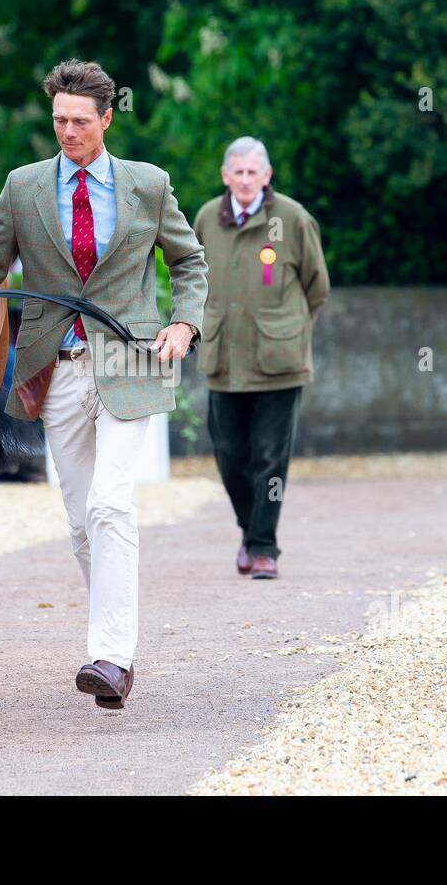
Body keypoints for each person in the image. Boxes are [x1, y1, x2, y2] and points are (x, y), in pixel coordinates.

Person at [0, 59, 208, 711]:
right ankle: (112, 642)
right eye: (60, 120)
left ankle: (112, 656)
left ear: (106, 119)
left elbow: (189, 260)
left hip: (132, 363)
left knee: (111, 505)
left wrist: (184, 324)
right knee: (82, 523)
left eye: (81, 121)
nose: (69, 132)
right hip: (56, 374)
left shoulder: (147, 185)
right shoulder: (24, 188)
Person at [192, 137, 330, 581]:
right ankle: (250, 533)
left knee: (270, 457)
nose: (246, 179)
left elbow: (317, 286)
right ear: (225, 175)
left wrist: (287, 329)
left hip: (278, 361)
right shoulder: (207, 218)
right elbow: (193, 279)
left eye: (255, 172)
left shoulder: (292, 218)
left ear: (267, 176)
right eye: (239, 171)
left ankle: (264, 548)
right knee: (230, 454)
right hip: (223, 358)